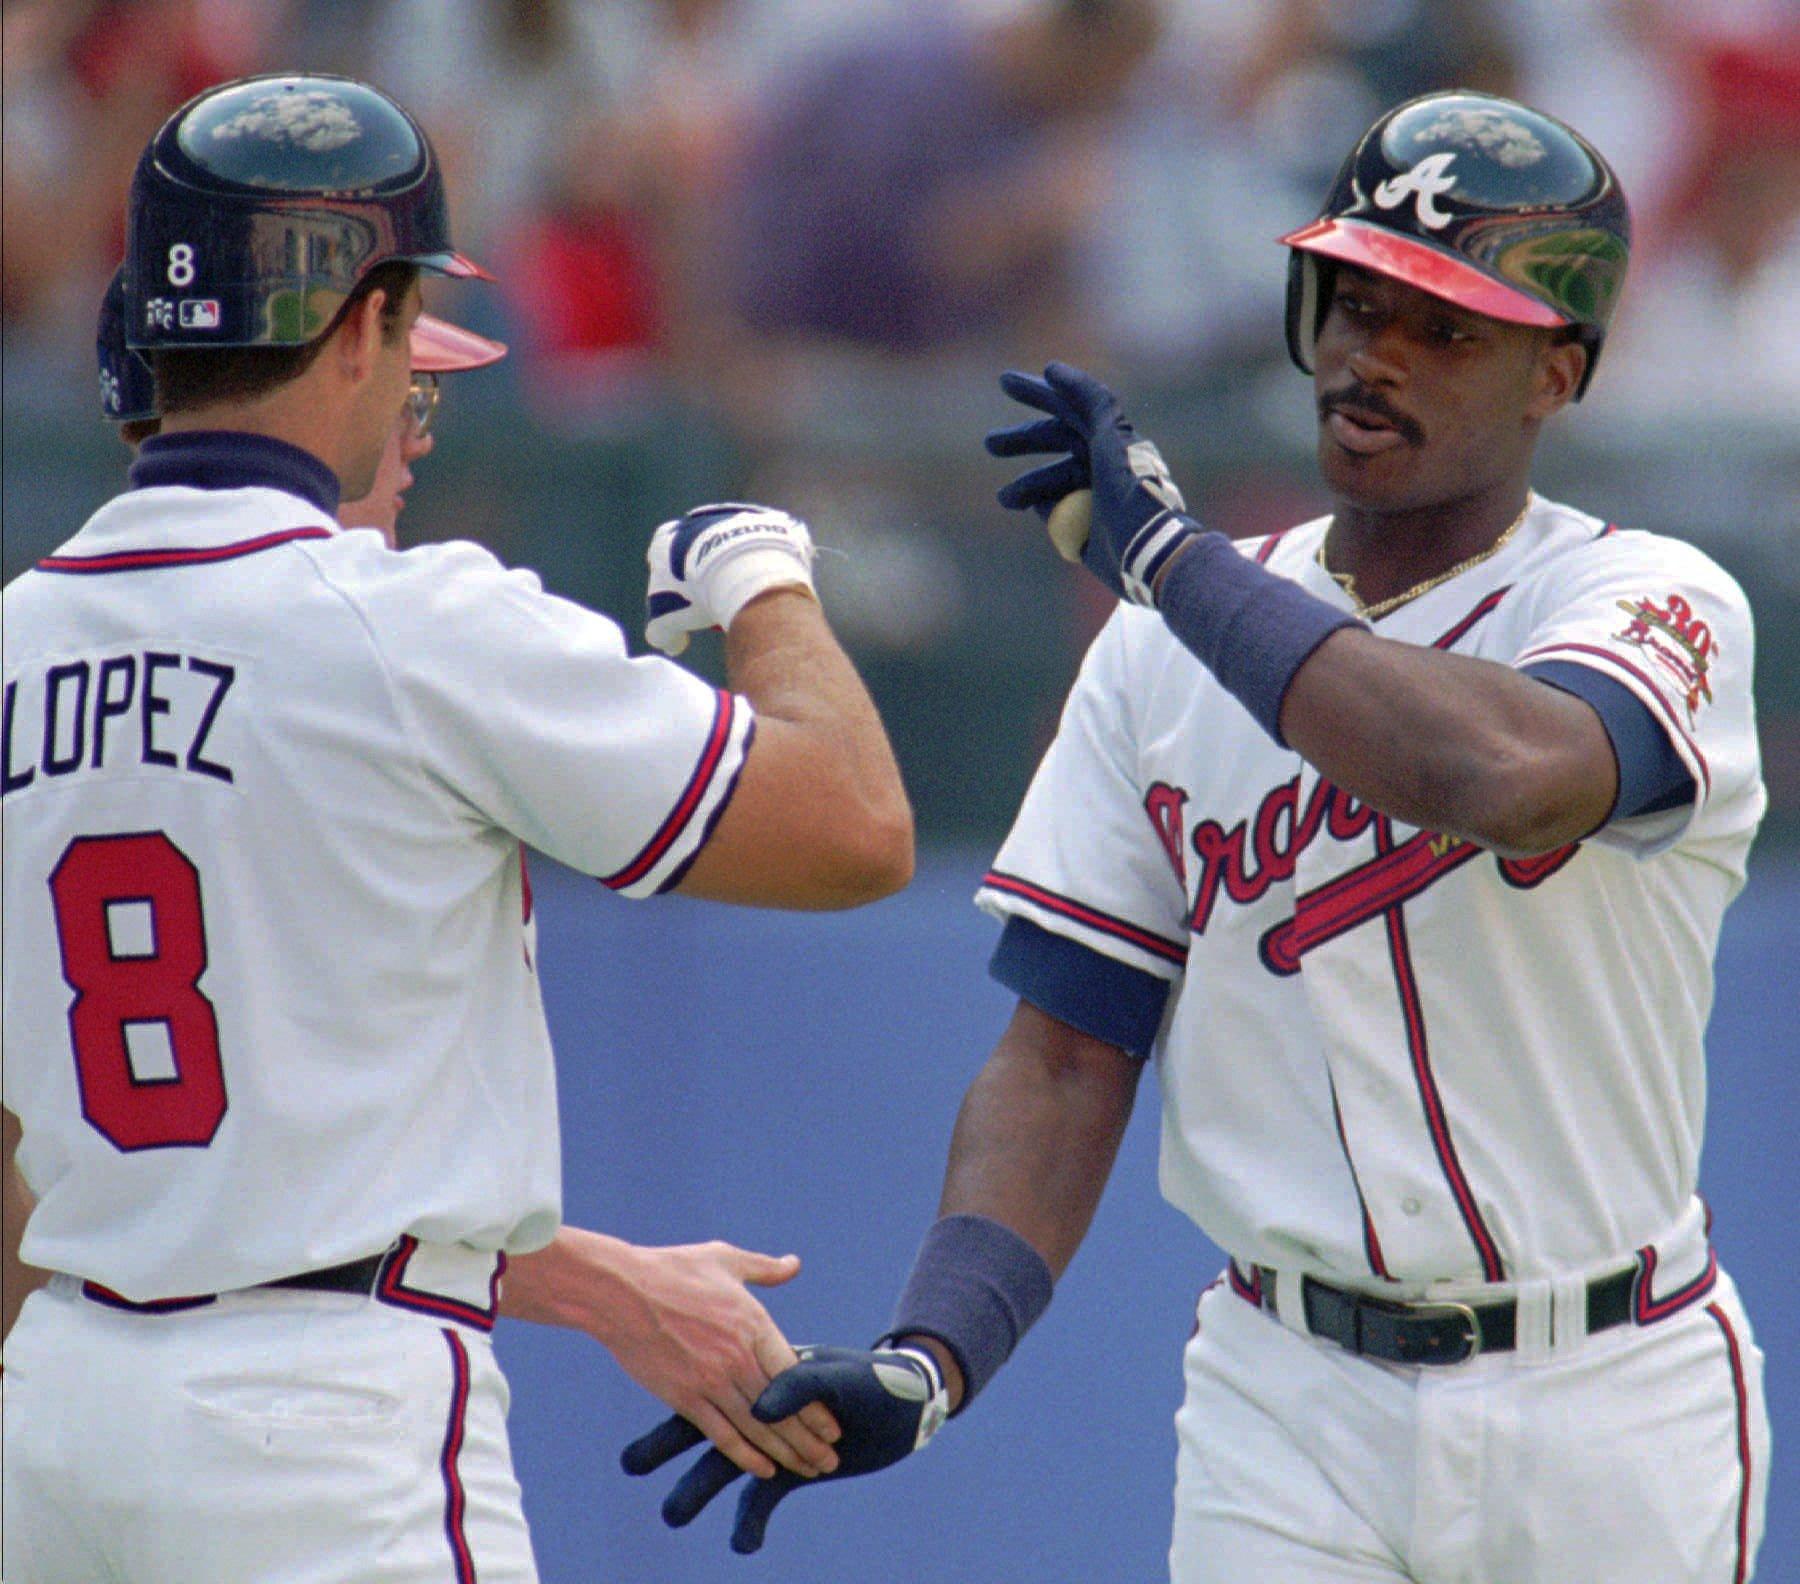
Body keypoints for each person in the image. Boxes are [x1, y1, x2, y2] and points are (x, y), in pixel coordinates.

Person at [626, 91, 1770, 1579]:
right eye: (1356, 301)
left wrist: (1167, 559)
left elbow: (1504, 773)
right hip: (1289, 1402)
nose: (1376, 353)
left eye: (1447, 326)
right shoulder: (1161, 647)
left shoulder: (1650, 599)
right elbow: (1063, 1054)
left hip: (1609, 1387)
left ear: (1558, 370)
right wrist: (933, 1355)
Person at [1, 71, 911, 1583]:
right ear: (360, 329)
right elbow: (857, 828)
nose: (417, 412)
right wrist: (764, 573)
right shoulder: (409, 623)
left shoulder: (16, 641)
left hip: (63, 1402)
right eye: (414, 360)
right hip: (331, 1422)